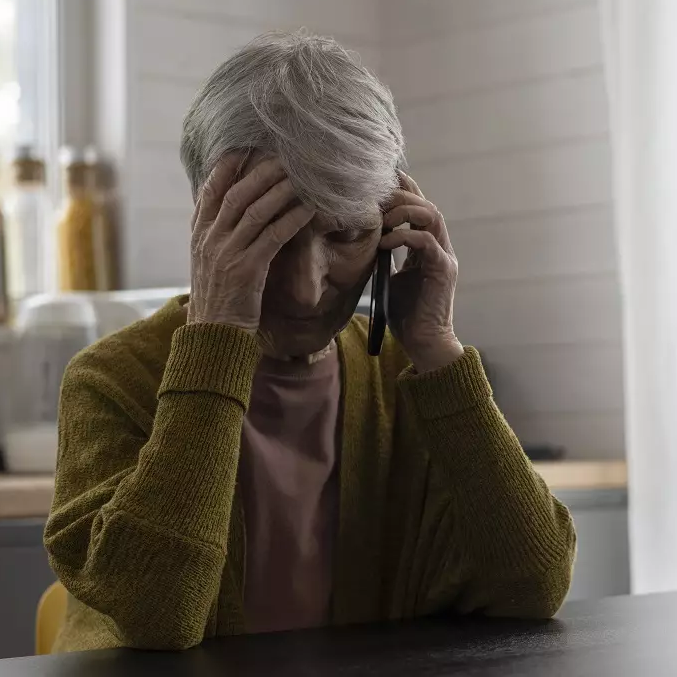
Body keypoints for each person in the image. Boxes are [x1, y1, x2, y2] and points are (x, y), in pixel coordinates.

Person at [43, 32, 576, 652]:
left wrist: (436, 348)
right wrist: (217, 340)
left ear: (391, 228)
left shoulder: (411, 377)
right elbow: (161, 615)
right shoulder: (110, 379)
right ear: (206, 226)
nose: (304, 290)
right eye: (268, 237)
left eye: (346, 236)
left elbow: (534, 586)